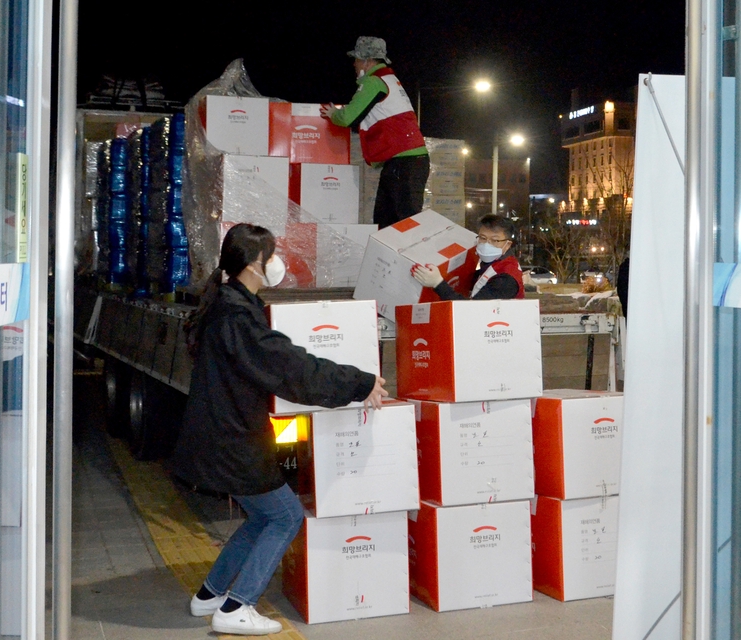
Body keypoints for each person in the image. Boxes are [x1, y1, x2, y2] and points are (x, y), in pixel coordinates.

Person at [169, 223, 387, 635]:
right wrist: (359, 383)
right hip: (233, 439)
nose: (276, 262)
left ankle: (209, 595)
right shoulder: (237, 316)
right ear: (254, 263)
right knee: (286, 516)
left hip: (223, 433)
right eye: (270, 256)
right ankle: (237, 607)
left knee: (260, 517)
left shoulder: (232, 304)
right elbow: (291, 367)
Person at [320, 36, 430, 229]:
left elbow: (348, 118)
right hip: (404, 162)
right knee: (388, 223)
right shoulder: (389, 79)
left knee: (401, 224)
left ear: (366, 60)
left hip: (403, 163)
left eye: (356, 59)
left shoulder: (374, 81)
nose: (354, 64)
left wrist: (333, 114)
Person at [411, 214, 525, 300]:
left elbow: (469, 310)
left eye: (495, 240)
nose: (487, 244)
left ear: (507, 245)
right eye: (483, 238)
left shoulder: (505, 279)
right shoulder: (491, 265)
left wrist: (437, 283)